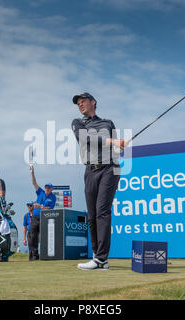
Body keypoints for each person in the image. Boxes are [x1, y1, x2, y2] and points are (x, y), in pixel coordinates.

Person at [71, 92, 125, 270]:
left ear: (93, 102)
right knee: (92, 216)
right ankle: (98, 257)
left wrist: (119, 146)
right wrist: (112, 141)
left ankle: (101, 258)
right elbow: (85, 138)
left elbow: (116, 149)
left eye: (83, 101)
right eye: (78, 103)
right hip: (90, 170)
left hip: (109, 168)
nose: (80, 104)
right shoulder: (77, 123)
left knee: (102, 211)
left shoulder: (108, 123)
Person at [29, 166, 56, 260]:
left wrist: (40, 206)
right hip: (35, 217)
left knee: (45, 237)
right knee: (33, 236)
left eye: (48, 188)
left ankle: (45, 254)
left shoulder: (53, 197)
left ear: (52, 189)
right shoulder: (40, 192)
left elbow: (49, 208)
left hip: (45, 218)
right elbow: (34, 183)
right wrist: (32, 172)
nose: (47, 189)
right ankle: (35, 255)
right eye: (46, 187)